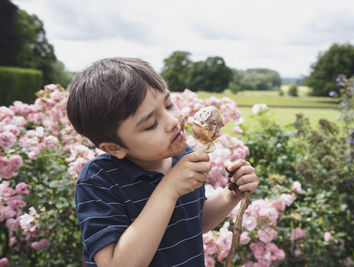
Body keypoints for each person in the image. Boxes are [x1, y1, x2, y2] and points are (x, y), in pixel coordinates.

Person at [66, 57, 258, 267]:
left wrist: (231, 193)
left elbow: (195, 221)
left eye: (168, 104)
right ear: (114, 148)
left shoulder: (183, 156)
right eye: (150, 124)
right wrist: (168, 190)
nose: (173, 121)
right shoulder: (99, 180)